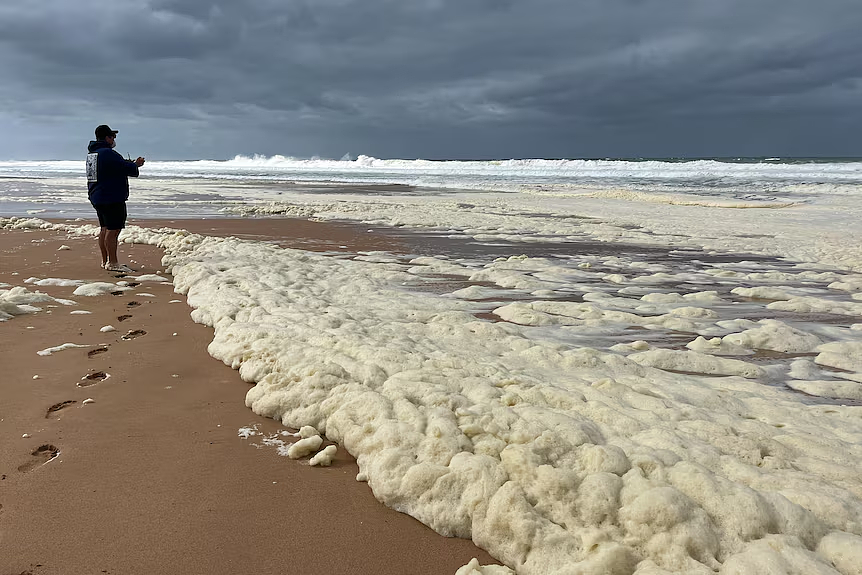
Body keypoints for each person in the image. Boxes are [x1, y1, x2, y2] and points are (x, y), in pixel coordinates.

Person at [86, 124, 145, 273]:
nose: (114, 140)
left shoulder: (93, 154)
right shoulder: (108, 153)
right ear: (107, 138)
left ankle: (105, 261)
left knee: (104, 229)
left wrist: (128, 164)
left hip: (97, 196)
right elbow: (127, 169)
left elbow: (111, 168)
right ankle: (113, 262)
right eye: (112, 137)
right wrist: (136, 165)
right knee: (113, 230)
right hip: (111, 197)